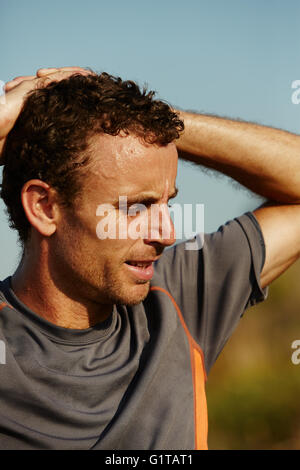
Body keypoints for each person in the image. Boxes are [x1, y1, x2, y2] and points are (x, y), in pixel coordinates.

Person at [0, 67, 300, 450]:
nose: (166, 234)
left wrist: (159, 124)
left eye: (166, 203)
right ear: (44, 207)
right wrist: (8, 115)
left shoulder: (177, 298)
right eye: (135, 207)